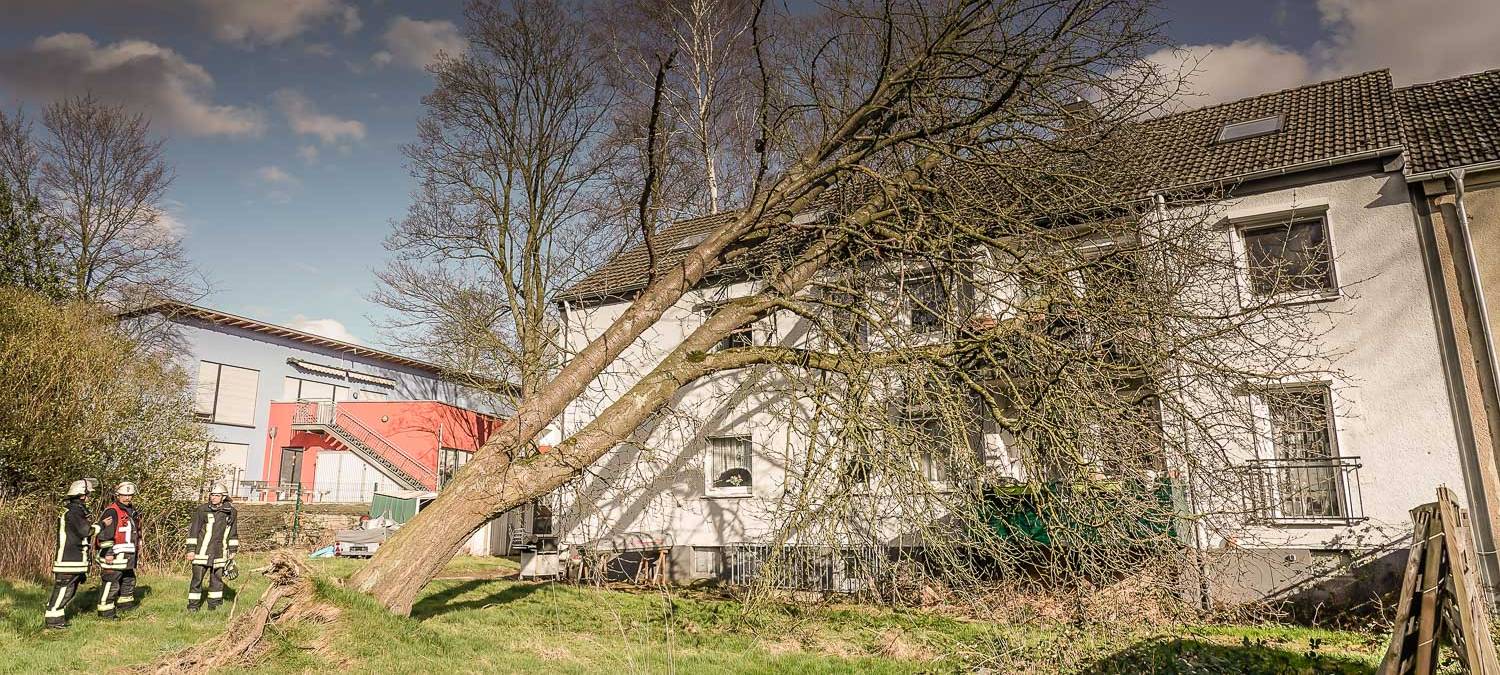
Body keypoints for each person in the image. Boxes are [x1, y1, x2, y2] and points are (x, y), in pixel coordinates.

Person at [43, 479, 94, 629]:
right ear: (82, 495)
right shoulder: (74, 512)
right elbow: (86, 531)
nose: (89, 497)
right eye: (88, 494)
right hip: (68, 560)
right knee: (63, 589)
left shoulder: (73, 511)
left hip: (73, 559)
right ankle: (53, 621)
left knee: (68, 591)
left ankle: (57, 619)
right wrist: (102, 525)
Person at [185, 483, 238, 611]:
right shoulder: (202, 510)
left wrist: (232, 551)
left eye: (216, 495)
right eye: (212, 495)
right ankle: (193, 606)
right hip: (201, 553)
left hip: (220, 553)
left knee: (217, 581)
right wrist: (191, 550)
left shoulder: (231, 512)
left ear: (223, 497)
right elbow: (193, 531)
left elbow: (233, 532)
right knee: (197, 580)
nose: (213, 498)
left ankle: (214, 606)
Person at [95, 481, 141, 619]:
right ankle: (105, 611)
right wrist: (108, 553)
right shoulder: (112, 511)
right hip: (114, 555)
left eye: (130, 495)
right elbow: (104, 534)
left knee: (129, 579)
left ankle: (125, 606)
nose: (127, 498)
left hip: (127, 555)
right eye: (124, 495)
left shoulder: (132, 511)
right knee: (111, 582)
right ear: (118, 495)